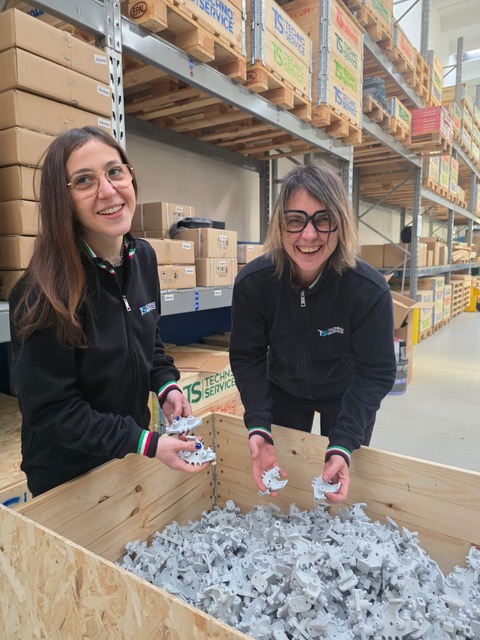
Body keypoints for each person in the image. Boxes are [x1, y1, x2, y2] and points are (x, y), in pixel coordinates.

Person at [9, 126, 210, 497]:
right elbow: (52, 410)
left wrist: (165, 385)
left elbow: (147, 338)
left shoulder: (142, 257)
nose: (107, 190)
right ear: (62, 199)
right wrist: (145, 442)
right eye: (84, 180)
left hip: (128, 455)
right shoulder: (43, 292)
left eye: (114, 171)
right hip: (68, 477)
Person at [229, 163, 396, 503]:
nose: (309, 235)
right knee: (291, 488)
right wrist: (258, 422)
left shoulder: (369, 290)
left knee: (339, 482)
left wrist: (344, 442)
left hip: (345, 392)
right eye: (295, 220)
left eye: (324, 219)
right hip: (283, 389)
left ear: (341, 223)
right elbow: (247, 357)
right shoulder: (254, 283)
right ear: (280, 225)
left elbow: (376, 372)